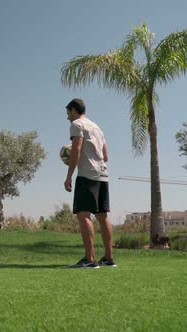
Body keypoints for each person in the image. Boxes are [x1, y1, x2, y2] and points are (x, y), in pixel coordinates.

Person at [64, 98, 116, 268]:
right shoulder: (97, 127)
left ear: (73, 110)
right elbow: (106, 155)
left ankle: (90, 259)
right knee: (102, 215)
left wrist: (69, 175)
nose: (67, 117)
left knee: (83, 214)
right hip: (103, 174)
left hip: (87, 175)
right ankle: (108, 259)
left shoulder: (77, 124)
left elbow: (76, 150)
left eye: (68, 113)